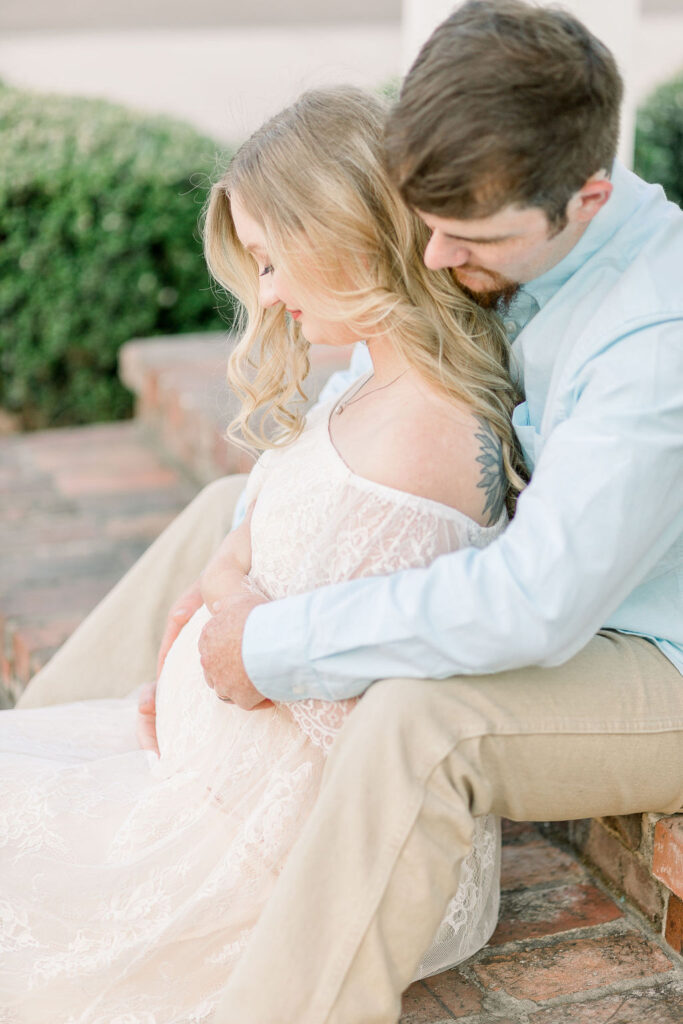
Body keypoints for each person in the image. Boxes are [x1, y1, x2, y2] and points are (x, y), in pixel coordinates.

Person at [14, 3, 683, 1022]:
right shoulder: (499, 211)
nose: (434, 259)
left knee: (427, 717)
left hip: (650, 647)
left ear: (586, 196)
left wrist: (270, 643)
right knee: (224, 509)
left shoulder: (651, 338)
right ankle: (55, 749)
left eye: (466, 242)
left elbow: (534, 603)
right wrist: (240, 560)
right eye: (425, 225)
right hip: (572, 586)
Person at [0, 86, 524, 1022]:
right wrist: (223, 584)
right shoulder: (370, 377)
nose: (268, 292)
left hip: (260, 852)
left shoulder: (420, 439)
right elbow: (269, 523)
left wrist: (230, 649)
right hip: (205, 783)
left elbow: (374, 716)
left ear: (343, 234)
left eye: (275, 260)